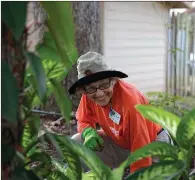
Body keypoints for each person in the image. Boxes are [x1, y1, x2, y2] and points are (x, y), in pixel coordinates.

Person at [69, 51, 171, 174]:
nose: (99, 94)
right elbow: (83, 119)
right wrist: (88, 131)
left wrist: (138, 175)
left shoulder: (131, 102)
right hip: (122, 143)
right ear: (83, 90)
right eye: (91, 88)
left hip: (152, 143)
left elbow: (141, 143)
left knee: (149, 174)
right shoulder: (89, 95)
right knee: (77, 141)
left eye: (104, 85)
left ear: (113, 81)